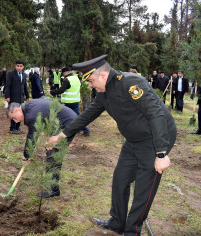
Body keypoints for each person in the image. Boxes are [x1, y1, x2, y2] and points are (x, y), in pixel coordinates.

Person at [48, 55, 176, 235]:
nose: (90, 85)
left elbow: (157, 115)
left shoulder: (131, 83)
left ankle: (132, 231)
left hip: (155, 140)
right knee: (120, 180)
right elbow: (88, 115)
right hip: (133, 141)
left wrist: (161, 153)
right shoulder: (103, 92)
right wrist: (63, 134)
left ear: (102, 75)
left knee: (143, 190)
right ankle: (117, 223)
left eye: (91, 81)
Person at [7, 99, 77, 198]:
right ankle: (52, 186)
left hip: (67, 123)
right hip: (61, 122)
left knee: (54, 154)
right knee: (51, 152)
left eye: (14, 118)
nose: (16, 121)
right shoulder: (29, 107)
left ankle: (52, 189)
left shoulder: (31, 115)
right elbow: (43, 121)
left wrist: (27, 156)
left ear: (18, 110)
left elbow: (32, 137)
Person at [50, 67, 90, 136]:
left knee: (63, 116)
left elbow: (61, 90)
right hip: (76, 101)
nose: (63, 75)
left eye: (63, 73)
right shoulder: (76, 78)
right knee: (77, 117)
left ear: (65, 72)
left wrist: (52, 91)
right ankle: (85, 130)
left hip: (67, 102)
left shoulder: (67, 79)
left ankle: (61, 131)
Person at [5, 59, 30, 134]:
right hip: (13, 97)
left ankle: (17, 127)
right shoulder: (11, 74)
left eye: (20, 66)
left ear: (23, 67)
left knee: (20, 111)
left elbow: (25, 86)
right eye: (17, 66)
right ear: (15, 66)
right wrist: (7, 96)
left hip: (21, 97)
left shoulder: (24, 75)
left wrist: (27, 96)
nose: (19, 67)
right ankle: (12, 128)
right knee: (13, 111)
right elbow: (8, 86)